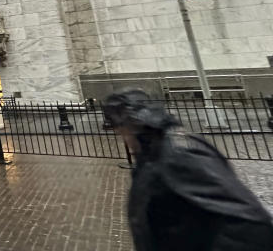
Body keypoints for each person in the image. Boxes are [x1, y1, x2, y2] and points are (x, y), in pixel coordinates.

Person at [104, 90, 273, 250]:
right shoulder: (151, 154)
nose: (122, 138)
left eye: (121, 131)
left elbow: (248, 220)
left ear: (133, 124)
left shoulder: (178, 153)